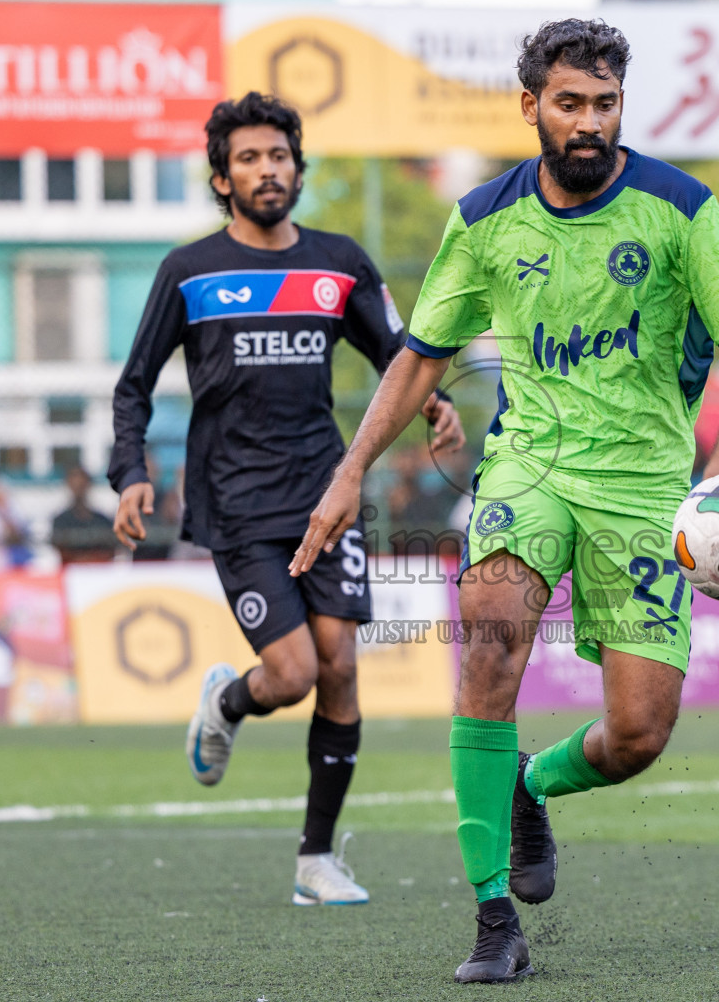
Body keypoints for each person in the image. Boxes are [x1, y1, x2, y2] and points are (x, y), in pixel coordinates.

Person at [292, 19, 719, 983]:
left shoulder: (683, 209)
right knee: (489, 634)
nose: (588, 122)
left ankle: (532, 782)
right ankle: (491, 919)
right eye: (569, 104)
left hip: (644, 486)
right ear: (531, 108)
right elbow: (420, 355)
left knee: (638, 736)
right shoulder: (483, 218)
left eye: (604, 104)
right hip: (530, 468)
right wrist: (349, 472)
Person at [109, 92, 465, 906]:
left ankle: (316, 861)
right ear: (221, 178)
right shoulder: (188, 271)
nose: (267, 170)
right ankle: (229, 701)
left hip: (324, 494)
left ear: (297, 168)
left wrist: (437, 407)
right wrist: (130, 470)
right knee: (296, 670)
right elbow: (133, 386)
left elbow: (398, 355)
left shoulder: (340, 263)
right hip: (235, 504)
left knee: (340, 668)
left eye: (279, 156)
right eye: (248, 159)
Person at [49, 466, 116, 563]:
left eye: (81, 484)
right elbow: (60, 551)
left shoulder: (102, 520)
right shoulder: (60, 520)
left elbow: (110, 550)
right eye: (75, 484)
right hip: (71, 573)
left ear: (88, 484)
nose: (78, 488)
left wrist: (91, 560)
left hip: (99, 572)